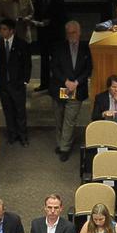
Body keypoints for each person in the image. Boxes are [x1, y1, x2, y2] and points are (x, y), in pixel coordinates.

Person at [49, 19, 93, 161]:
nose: (71, 35)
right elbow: (54, 67)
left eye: (73, 32)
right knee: (59, 118)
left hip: (77, 89)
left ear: (79, 33)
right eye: (68, 33)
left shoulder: (86, 48)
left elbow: (88, 68)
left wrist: (76, 82)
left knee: (70, 119)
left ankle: (65, 148)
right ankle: (61, 142)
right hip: (60, 88)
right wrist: (66, 81)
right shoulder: (59, 47)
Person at [0, 19, 32, 147]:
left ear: (11, 31)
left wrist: (25, 80)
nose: (1, 32)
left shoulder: (22, 44)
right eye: (1, 29)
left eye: (4, 29)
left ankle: (23, 136)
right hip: (4, 84)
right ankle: (12, 135)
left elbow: (27, 64)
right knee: (8, 111)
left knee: (20, 112)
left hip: (18, 84)